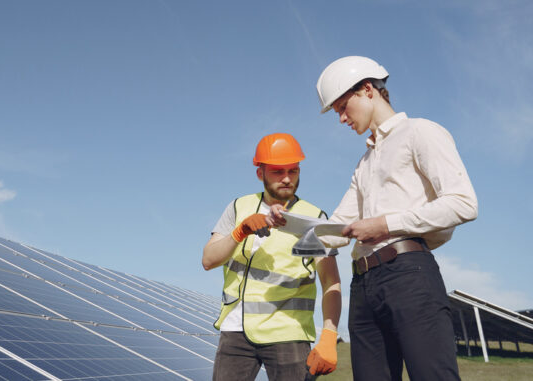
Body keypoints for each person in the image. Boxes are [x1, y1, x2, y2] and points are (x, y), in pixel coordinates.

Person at [308, 55, 478, 380]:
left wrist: (384, 224)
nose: (341, 119)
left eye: (343, 107)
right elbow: (337, 228)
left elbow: (463, 203)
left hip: (409, 276)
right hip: (363, 286)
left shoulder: (421, 132)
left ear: (368, 90)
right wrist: (286, 225)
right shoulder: (364, 163)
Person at [203, 133, 341, 381]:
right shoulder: (238, 207)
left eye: (293, 171)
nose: (287, 179)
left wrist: (330, 336)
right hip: (236, 330)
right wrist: (240, 232)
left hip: (289, 333)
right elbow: (208, 260)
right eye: (278, 172)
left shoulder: (314, 217)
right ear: (260, 173)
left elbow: (331, 281)